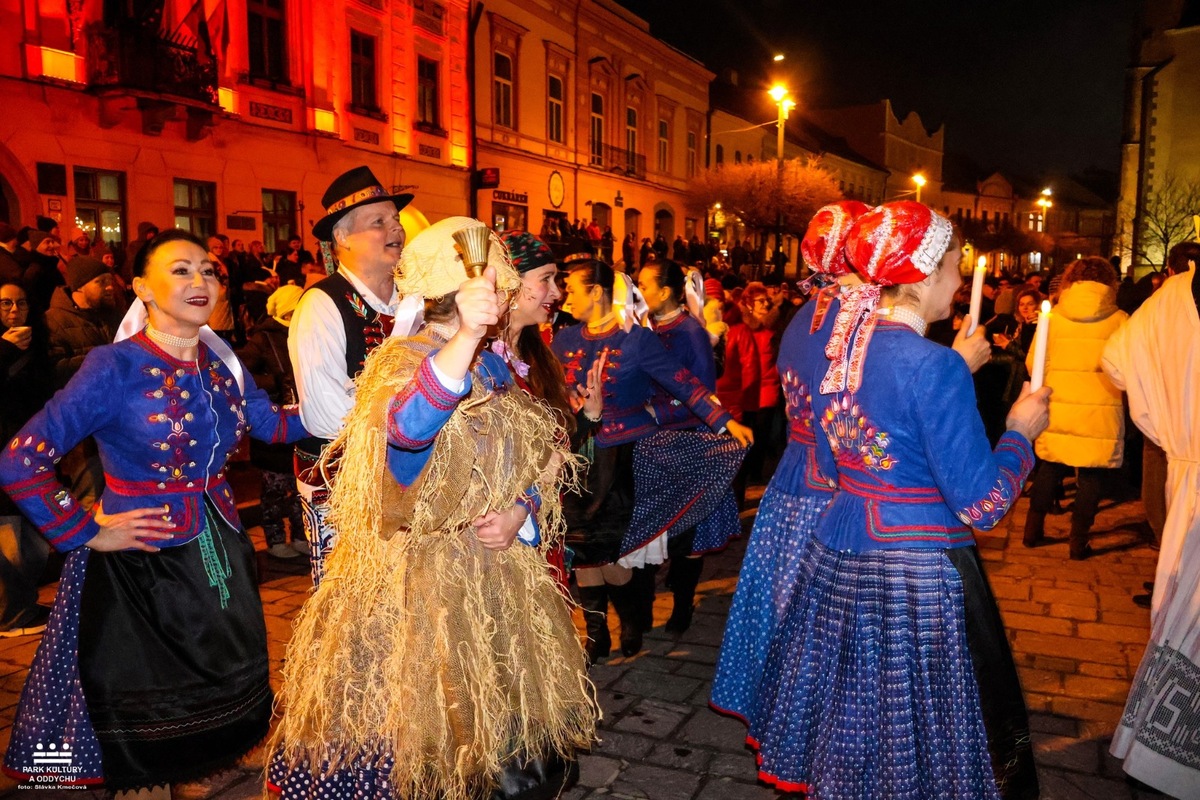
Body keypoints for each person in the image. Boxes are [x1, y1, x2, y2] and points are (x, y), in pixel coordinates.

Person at [268, 217, 597, 800]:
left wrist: (521, 509)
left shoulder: (497, 365)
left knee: (496, 739)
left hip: (496, 581)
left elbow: (539, 458)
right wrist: (464, 339)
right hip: (416, 589)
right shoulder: (403, 360)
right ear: (461, 290)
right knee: (425, 740)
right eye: (501, 281)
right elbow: (405, 439)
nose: (510, 291)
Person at [750, 202, 1049, 800]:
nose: (962, 283)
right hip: (916, 569)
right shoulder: (933, 366)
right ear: (921, 275)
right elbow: (984, 505)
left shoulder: (842, 350)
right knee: (915, 720)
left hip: (838, 548)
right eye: (956, 268)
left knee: (852, 705)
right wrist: (1020, 433)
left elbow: (836, 464)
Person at [0, 229, 305, 796]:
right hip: (143, 562)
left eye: (209, 270)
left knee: (222, 670)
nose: (201, 281)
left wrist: (360, 403)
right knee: (148, 698)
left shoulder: (223, 361)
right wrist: (86, 530)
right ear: (141, 286)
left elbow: (274, 427)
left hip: (221, 542)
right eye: (181, 269)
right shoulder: (112, 365)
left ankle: (205, 769)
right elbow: (21, 461)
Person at [710, 200, 872, 723]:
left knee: (778, 599)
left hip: (791, 482)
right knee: (821, 615)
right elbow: (845, 411)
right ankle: (809, 720)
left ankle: (774, 701)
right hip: (834, 485)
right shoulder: (857, 317)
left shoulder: (810, 310)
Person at [552, 251, 752, 658]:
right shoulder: (563, 339)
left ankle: (629, 621)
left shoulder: (636, 341)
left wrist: (724, 421)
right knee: (584, 547)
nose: (563, 296)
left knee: (616, 548)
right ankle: (595, 634)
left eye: (571, 288)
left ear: (597, 291)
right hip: (578, 456)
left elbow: (685, 383)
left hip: (627, 457)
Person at [1102, 247, 1200, 798]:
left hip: (1185, 476)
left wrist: (1164, 424)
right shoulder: (1169, 300)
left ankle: (1157, 745)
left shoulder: (1166, 302)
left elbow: (1118, 363)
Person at [288, 166, 412, 584]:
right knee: (353, 606)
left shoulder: (412, 302)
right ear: (342, 238)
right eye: (378, 222)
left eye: (395, 221)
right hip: (343, 483)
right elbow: (324, 414)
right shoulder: (322, 305)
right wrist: (409, 429)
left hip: (406, 478)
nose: (394, 229)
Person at [636, 259, 736, 635]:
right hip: (650, 439)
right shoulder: (646, 328)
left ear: (664, 292)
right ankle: (644, 609)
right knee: (652, 527)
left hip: (687, 438)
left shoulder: (690, 332)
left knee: (687, 530)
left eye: (645, 284)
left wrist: (654, 409)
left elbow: (701, 393)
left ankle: (682, 605)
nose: (639, 290)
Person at [1022, 257, 1128, 559]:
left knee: (1051, 465)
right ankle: (1078, 541)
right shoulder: (1120, 319)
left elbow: (1033, 363)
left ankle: (1032, 530)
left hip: (1059, 403)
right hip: (1102, 408)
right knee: (1093, 475)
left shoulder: (1053, 317)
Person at [238, 284, 307, 560]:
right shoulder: (262, 338)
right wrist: (274, 384)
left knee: (298, 484)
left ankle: (301, 535)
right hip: (273, 419)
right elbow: (241, 375)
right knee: (275, 487)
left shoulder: (306, 332)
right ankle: (275, 538)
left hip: (301, 419)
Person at [0, 281, 53, 637]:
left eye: (20, 303)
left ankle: (24, 603)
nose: (15, 311)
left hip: (29, 453)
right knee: (9, 541)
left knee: (33, 544)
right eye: (5, 304)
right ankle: (10, 613)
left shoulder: (39, 345)